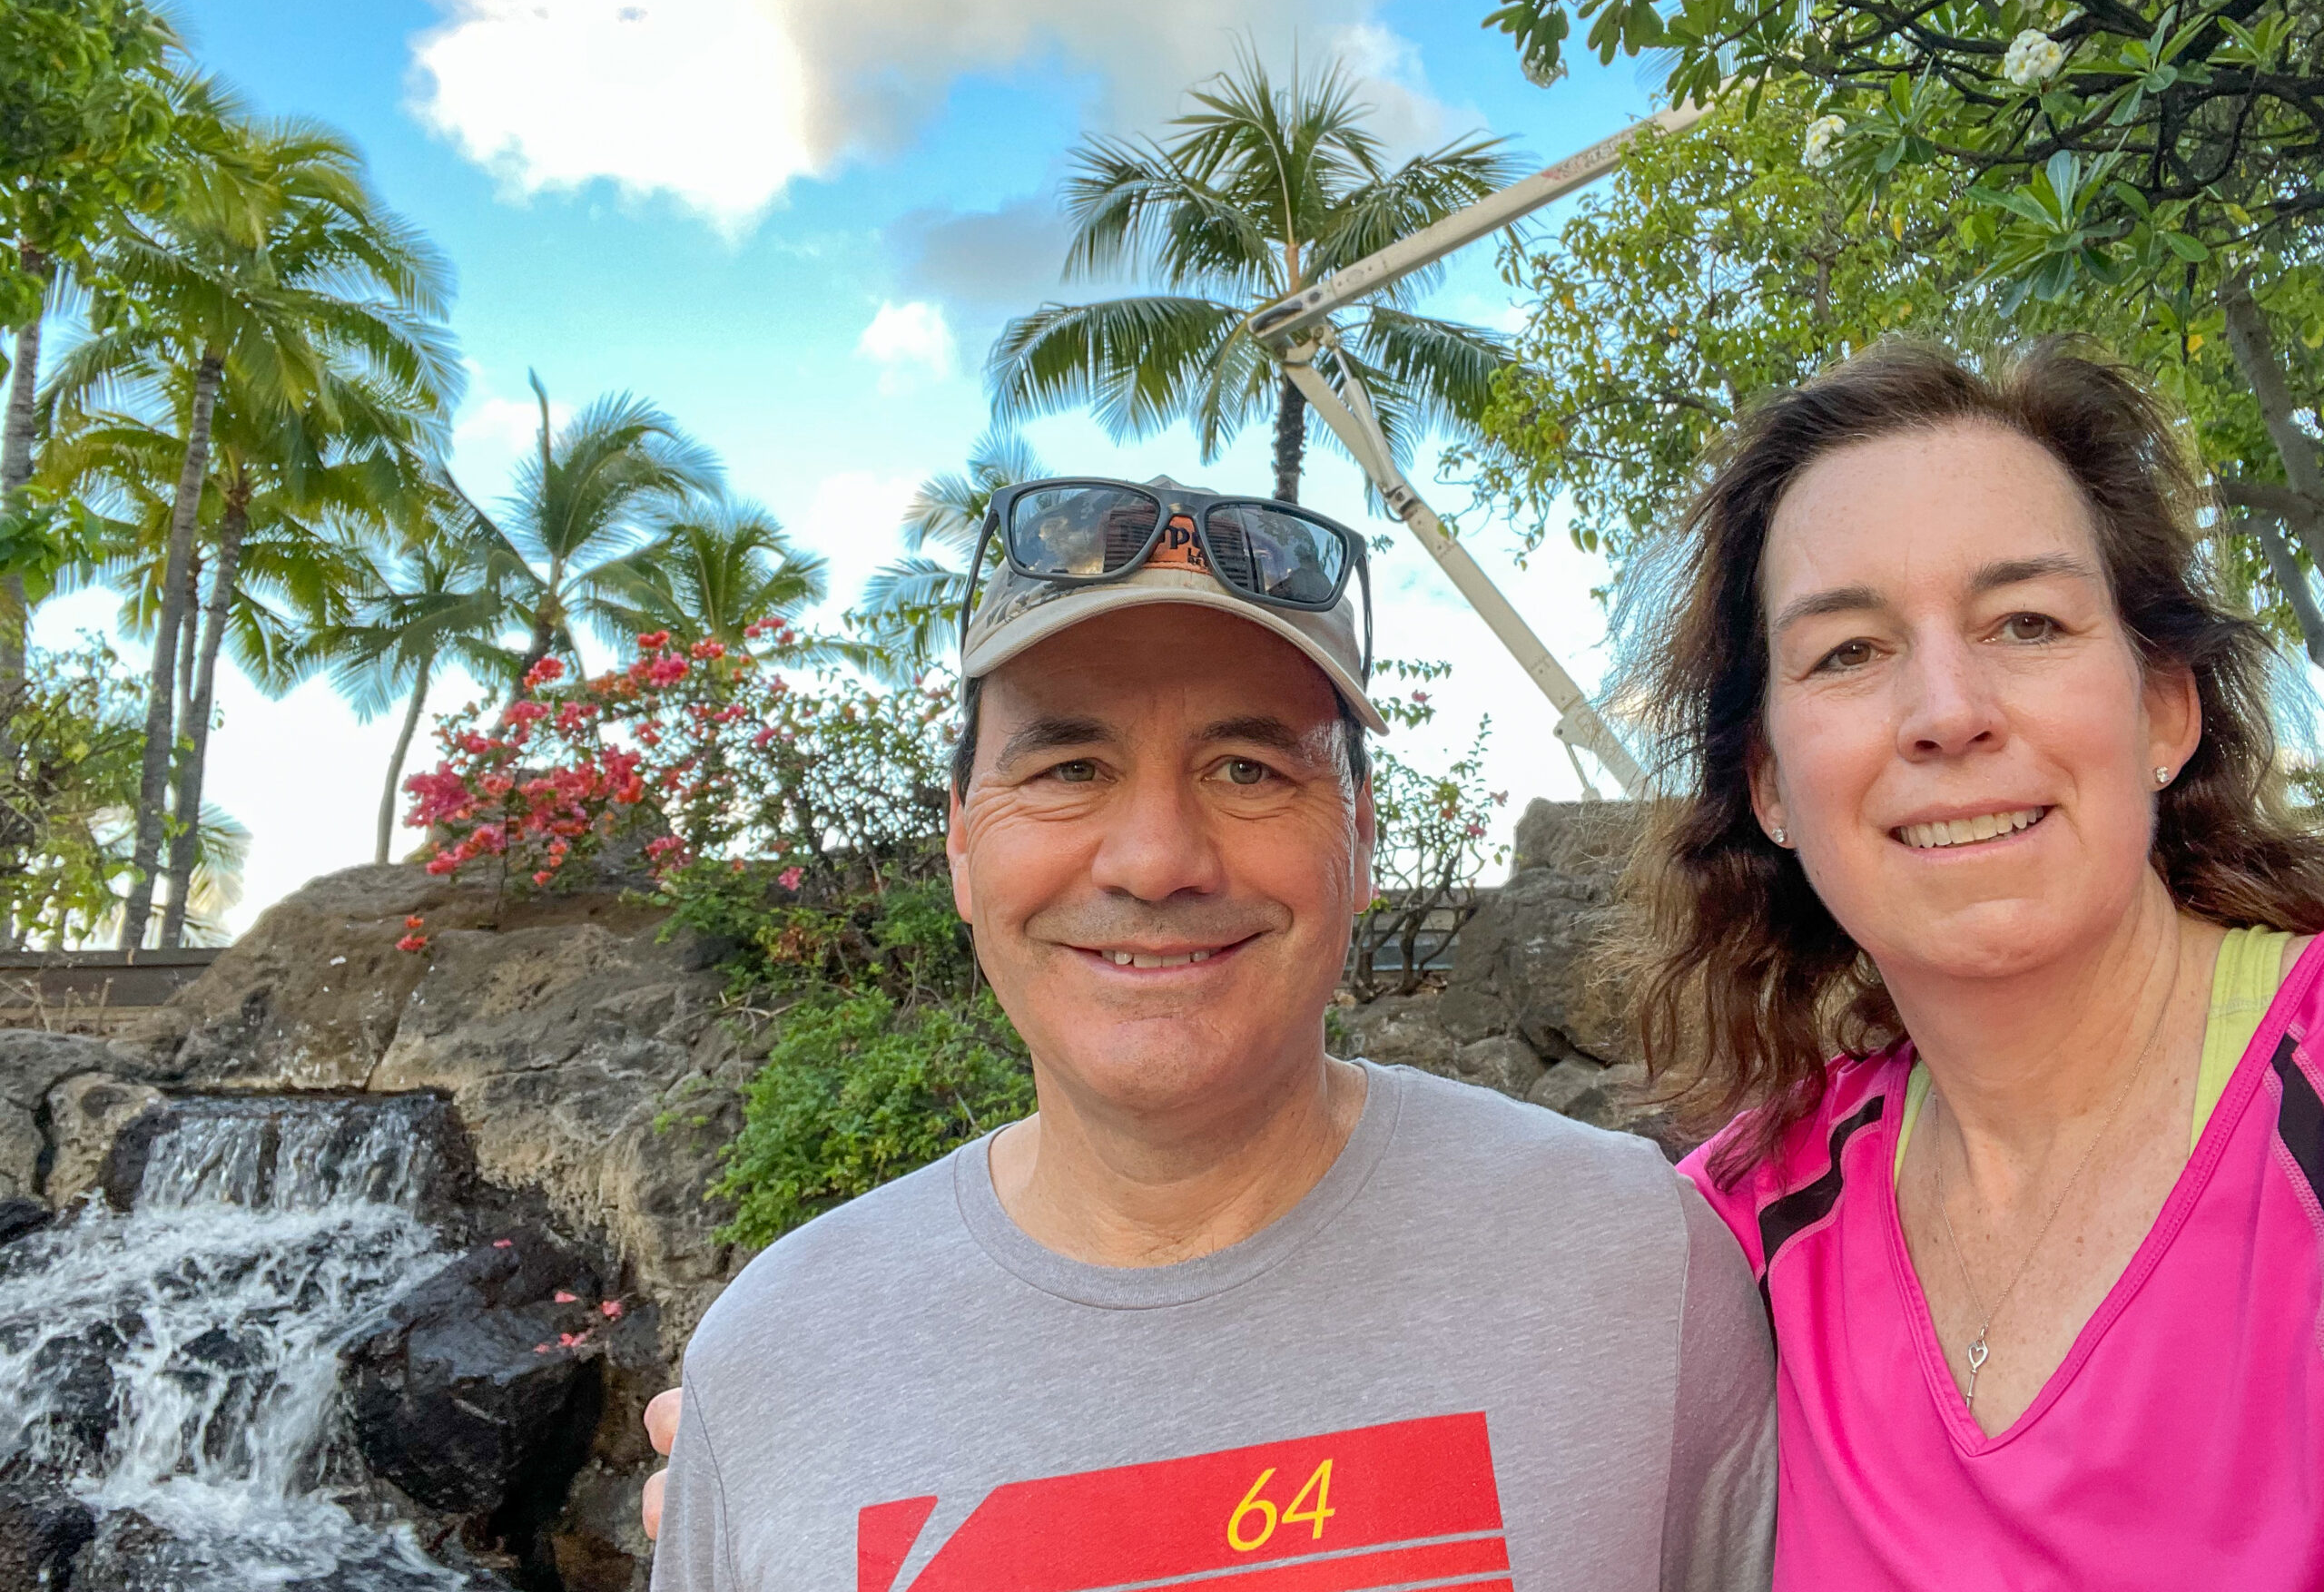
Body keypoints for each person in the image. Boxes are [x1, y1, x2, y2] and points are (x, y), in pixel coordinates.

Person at [646, 476, 1775, 1591]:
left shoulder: (1635, 1262)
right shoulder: (773, 1367)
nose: (1153, 861)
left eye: (1247, 769)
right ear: (958, 843)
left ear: (1360, 835)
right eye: (1068, 769)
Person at [1613, 340, 2324, 1588]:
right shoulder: (1751, 1219)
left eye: (2027, 623)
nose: (1948, 709)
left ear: (2165, 710)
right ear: (1770, 784)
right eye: (1847, 651)